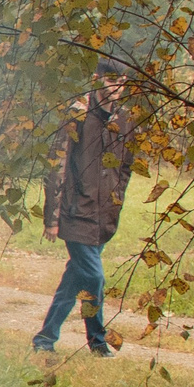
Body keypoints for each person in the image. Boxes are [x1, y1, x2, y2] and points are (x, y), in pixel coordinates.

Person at [33, 67, 135, 357]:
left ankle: (45, 339)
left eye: (122, 81)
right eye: (111, 80)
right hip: (75, 214)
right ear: (96, 79)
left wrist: (116, 198)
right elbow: (57, 166)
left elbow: (126, 166)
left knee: (75, 279)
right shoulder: (77, 114)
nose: (117, 87)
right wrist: (52, 218)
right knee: (95, 277)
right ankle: (98, 341)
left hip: (103, 217)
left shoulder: (125, 119)